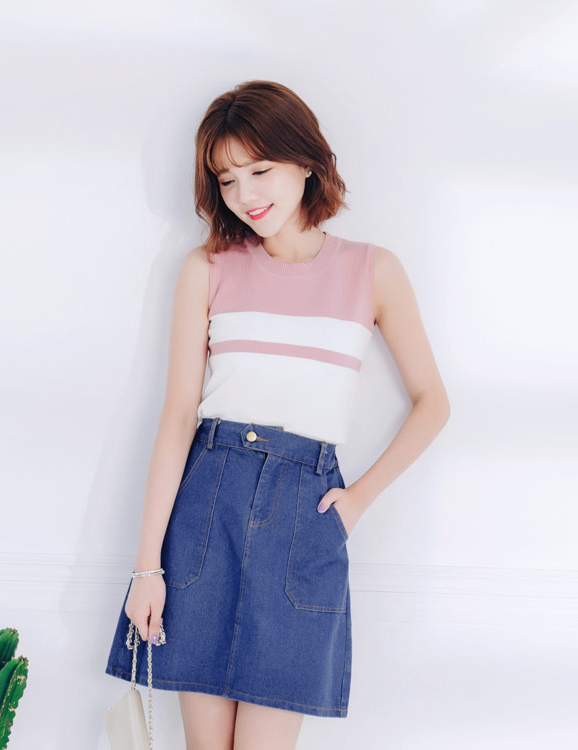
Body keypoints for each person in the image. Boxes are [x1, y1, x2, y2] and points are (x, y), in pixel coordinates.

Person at [105, 79, 450, 749]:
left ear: (306, 161)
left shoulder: (373, 271)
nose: (245, 194)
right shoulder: (207, 267)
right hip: (207, 507)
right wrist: (147, 567)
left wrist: (357, 502)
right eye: (227, 179)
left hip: (304, 515)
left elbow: (433, 403)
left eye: (259, 170)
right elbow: (177, 418)